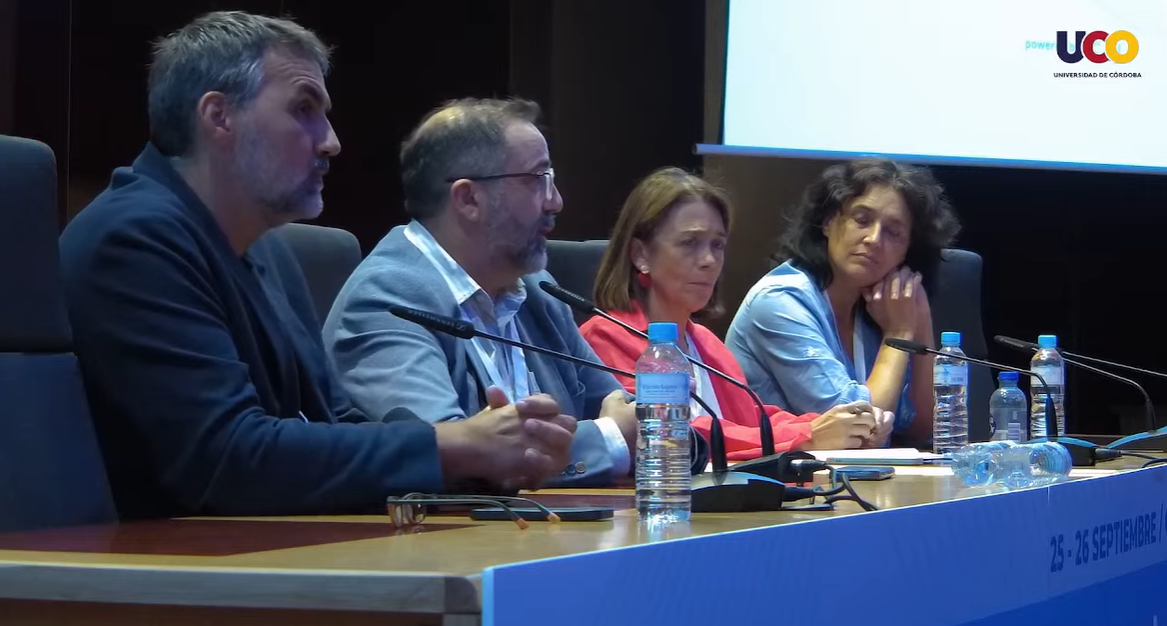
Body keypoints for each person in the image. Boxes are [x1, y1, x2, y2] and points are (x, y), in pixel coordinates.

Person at [57, 12, 576, 520]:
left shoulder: (267, 251)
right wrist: (454, 446)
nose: (331, 141)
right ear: (219, 117)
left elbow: (334, 421)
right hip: (168, 565)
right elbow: (225, 457)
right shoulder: (134, 239)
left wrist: (484, 461)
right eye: (304, 109)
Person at [323, 98, 708, 486]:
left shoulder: (537, 292)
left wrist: (647, 429)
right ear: (469, 199)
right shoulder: (387, 299)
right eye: (537, 179)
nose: (555, 201)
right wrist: (609, 438)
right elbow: (453, 459)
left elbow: (633, 419)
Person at [581, 167, 887, 457]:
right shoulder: (603, 338)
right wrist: (807, 435)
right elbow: (673, 432)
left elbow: (753, 419)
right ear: (641, 254)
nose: (709, 260)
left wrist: (844, 425)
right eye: (689, 243)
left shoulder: (705, 342)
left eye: (717, 245)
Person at [725, 157, 961, 446]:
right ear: (828, 221)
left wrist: (920, 319)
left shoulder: (874, 308)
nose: (873, 239)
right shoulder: (779, 301)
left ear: (906, 251)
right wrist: (899, 334)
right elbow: (857, 429)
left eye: (893, 232)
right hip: (778, 473)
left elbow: (923, 429)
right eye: (862, 220)